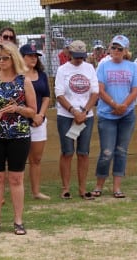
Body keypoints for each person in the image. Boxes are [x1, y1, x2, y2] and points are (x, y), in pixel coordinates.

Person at [0, 42, 36, 235]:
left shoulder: (23, 81)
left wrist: (17, 108)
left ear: (13, 59)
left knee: (16, 178)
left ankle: (18, 221)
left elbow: (32, 111)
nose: (1, 61)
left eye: (5, 58)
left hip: (18, 134)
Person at [91, 35, 137, 198]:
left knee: (121, 150)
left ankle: (117, 187)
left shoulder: (132, 67)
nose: (116, 51)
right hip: (107, 114)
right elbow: (100, 90)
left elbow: (135, 90)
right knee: (106, 151)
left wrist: (124, 106)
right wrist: (115, 105)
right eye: (114, 48)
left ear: (126, 50)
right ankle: (99, 185)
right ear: (109, 48)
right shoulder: (103, 66)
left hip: (127, 115)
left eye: (120, 48)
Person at [55, 40, 99, 200]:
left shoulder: (89, 68)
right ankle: (65, 188)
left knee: (83, 152)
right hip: (67, 116)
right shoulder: (62, 70)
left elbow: (95, 92)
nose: (79, 59)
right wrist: (73, 111)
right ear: (69, 53)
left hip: (85, 116)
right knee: (67, 152)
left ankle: (82, 188)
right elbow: (59, 93)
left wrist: (85, 111)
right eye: (76, 56)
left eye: (81, 56)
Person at [19, 44, 51, 200]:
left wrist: (40, 115)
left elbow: (46, 97)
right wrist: (31, 115)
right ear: (21, 57)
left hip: (39, 121)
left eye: (35, 56)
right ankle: (17, 191)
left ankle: (36, 192)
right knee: (17, 159)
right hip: (20, 121)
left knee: (36, 159)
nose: (33, 58)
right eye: (30, 55)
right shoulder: (16, 75)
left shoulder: (42, 75)